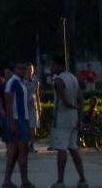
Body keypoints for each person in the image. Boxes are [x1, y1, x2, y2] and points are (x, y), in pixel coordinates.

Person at [49, 54, 88, 188]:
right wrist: (79, 116)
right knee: (73, 148)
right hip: (73, 117)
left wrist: (73, 106)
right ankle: (82, 179)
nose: (51, 68)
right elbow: (81, 98)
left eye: (53, 65)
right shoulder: (73, 78)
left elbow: (64, 100)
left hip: (62, 118)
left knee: (61, 148)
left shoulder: (58, 80)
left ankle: (60, 181)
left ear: (60, 65)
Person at [1, 63, 32, 188]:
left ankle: (7, 180)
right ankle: (24, 181)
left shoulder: (20, 82)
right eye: (20, 68)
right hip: (17, 119)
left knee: (14, 153)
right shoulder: (12, 82)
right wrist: (11, 123)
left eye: (24, 68)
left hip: (22, 119)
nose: (23, 70)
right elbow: (8, 102)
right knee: (22, 151)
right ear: (14, 69)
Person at [24, 64, 40, 153]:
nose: (29, 71)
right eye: (28, 69)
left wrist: (39, 106)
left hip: (32, 105)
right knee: (26, 126)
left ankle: (32, 145)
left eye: (31, 69)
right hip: (25, 105)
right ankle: (25, 144)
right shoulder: (22, 82)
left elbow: (37, 94)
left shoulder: (35, 81)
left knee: (33, 126)